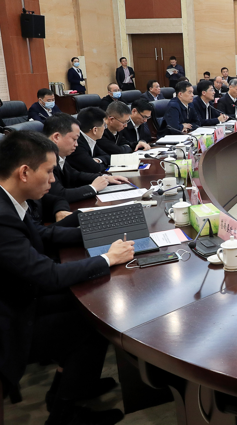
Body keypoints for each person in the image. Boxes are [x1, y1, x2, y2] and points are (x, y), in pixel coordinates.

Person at [0, 131, 135, 425]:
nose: (53, 180)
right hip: (11, 322)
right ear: (24, 172)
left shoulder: (10, 200)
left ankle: (73, 388)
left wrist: (97, 232)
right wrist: (108, 258)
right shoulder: (2, 216)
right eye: (49, 171)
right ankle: (64, 414)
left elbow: (41, 235)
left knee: (93, 302)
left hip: (22, 295)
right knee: (91, 320)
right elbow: (48, 275)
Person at [43, 114, 129, 203]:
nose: (76, 144)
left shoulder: (57, 156)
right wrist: (93, 188)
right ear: (56, 137)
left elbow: (75, 175)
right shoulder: (42, 160)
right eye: (74, 139)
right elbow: (59, 195)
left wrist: (105, 178)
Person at [68, 107, 110, 174]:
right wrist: (98, 162)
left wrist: (98, 160)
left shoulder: (89, 139)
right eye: (104, 126)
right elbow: (95, 168)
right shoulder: (77, 144)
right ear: (95, 130)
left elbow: (107, 157)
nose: (104, 128)